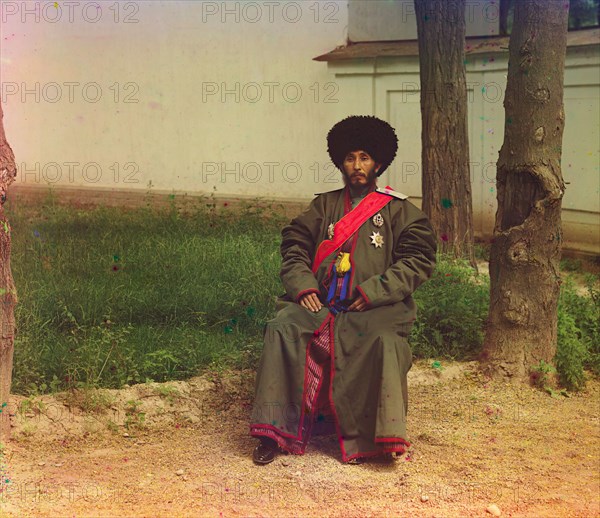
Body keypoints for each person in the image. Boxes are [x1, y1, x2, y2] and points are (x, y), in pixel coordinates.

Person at [250, 115, 437, 465]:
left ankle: (377, 440)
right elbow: (294, 246)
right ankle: (273, 433)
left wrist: (373, 292)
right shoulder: (323, 206)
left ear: (378, 162)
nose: (357, 166)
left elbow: (418, 261)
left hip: (373, 308)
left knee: (382, 342)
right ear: (341, 162)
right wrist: (303, 286)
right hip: (319, 305)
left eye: (364, 157)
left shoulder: (400, 211)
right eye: (350, 158)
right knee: (282, 329)